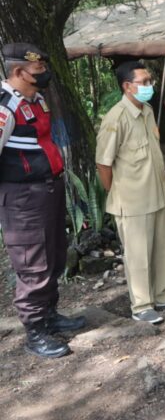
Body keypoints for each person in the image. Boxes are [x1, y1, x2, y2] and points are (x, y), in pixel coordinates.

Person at [0, 43, 85, 358]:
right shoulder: (5, 105)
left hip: (48, 190)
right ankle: (35, 331)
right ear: (19, 72)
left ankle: (49, 315)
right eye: (39, 71)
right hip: (23, 198)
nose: (45, 74)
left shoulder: (35, 100)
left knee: (53, 255)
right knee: (33, 263)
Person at [96, 61, 165, 324]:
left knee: (161, 248)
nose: (150, 86)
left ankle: (163, 293)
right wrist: (116, 191)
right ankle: (142, 305)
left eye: (150, 81)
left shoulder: (147, 111)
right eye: (144, 82)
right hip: (132, 200)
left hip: (157, 194)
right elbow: (103, 163)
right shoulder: (116, 118)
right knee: (138, 255)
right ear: (127, 87)